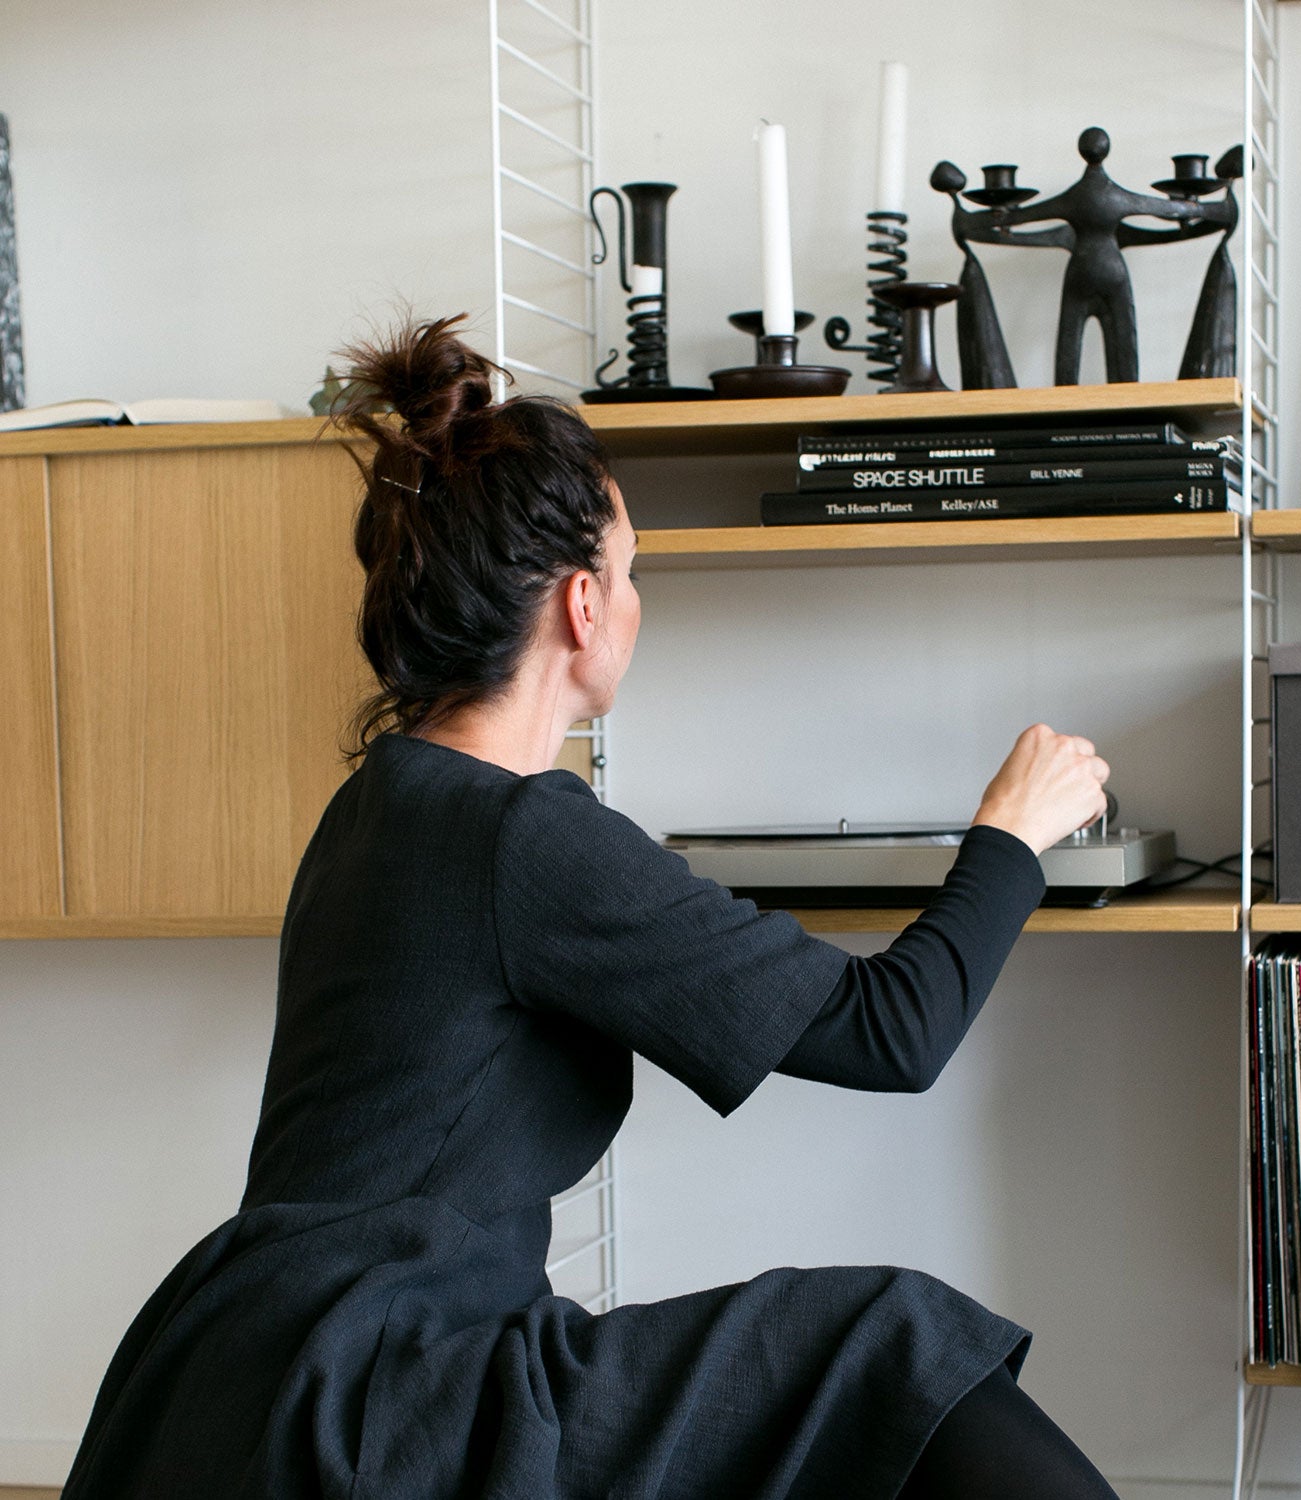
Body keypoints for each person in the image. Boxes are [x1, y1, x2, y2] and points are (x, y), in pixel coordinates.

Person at [59, 316, 1119, 1500]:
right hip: (388, 1399)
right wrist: (1013, 835)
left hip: (236, 1371)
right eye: (631, 571)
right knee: (898, 1346)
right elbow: (893, 1031)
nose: (635, 602)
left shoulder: (377, 809)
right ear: (579, 604)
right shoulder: (527, 831)